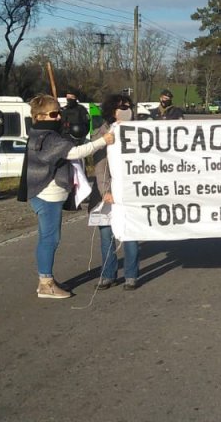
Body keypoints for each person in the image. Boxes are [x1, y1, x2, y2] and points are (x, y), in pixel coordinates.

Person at [18, 94, 115, 299]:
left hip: (47, 193)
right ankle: (46, 284)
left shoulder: (44, 132)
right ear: (40, 116)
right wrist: (102, 141)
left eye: (59, 113)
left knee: (47, 237)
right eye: (54, 114)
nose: (58, 117)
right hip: (47, 194)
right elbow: (75, 152)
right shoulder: (47, 137)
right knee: (50, 238)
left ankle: (45, 280)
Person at [90, 93, 140, 291]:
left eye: (128, 106)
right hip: (108, 193)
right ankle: (108, 274)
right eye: (121, 107)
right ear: (111, 110)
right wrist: (106, 191)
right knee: (106, 236)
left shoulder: (141, 132)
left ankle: (131, 275)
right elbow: (100, 167)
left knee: (130, 234)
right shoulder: (102, 133)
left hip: (131, 193)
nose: (125, 110)